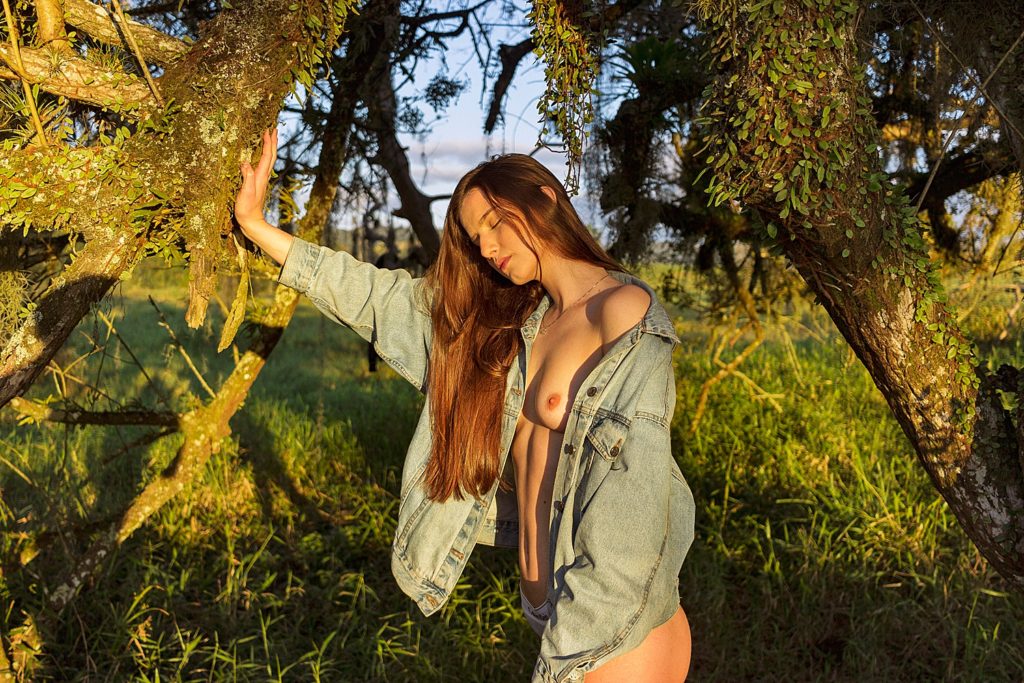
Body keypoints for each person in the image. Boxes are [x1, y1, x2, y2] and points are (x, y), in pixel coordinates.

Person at [234, 129, 695, 682]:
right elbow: (377, 298)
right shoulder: (513, 322)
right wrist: (257, 226)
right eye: (477, 239)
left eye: (495, 223)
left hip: (612, 627)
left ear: (545, 198)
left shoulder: (622, 312)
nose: (488, 248)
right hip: (551, 611)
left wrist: (565, 658)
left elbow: (631, 510)